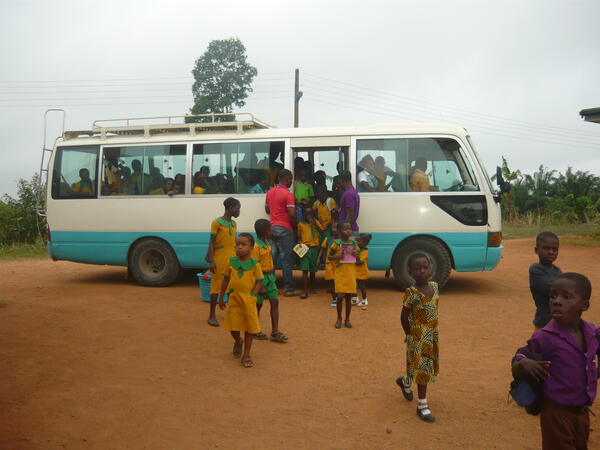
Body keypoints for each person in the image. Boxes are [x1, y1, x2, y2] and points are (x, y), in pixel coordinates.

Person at [511, 273, 598, 449]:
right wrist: (523, 363)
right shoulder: (545, 337)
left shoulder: (592, 333)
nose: (557, 301)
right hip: (556, 414)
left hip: (582, 413)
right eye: (553, 296)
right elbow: (520, 357)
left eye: (566, 297)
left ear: (584, 305)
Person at [397, 253, 439, 422]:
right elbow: (403, 316)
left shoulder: (435, 287)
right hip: (418, 336)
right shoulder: (411, 293)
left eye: (425, 267)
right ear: (410, 271)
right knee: (423, 369)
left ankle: (405, 382)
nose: (422, 271)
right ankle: (422, 405)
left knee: (421, 365)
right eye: (417, 268)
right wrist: (409, 334)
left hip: (432, 335)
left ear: (430, 268)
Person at [218, 232, 264, 368]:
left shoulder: (255, 264)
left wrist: (253, 296)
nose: (239, 247)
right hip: (234, 299)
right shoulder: (231, 262)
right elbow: (225, 280)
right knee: (233, 326)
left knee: (249, 327)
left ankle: (247, 354)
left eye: (243, 244)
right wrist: (221, 297)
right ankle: (238, 340)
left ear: (251, 247)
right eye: (237, 244)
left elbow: (259, 281)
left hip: (248, 300)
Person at [265, 169, 301, 296]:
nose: (291, 182)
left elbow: (267, 209)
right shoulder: (287, 194)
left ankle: (269, 287)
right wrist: (295, 228)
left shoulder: (270, 192)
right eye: (291, 179)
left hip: (271, 228)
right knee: (286, 260)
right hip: (285, 229)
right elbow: (292, 214)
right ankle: (288, 288)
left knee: (272, 260)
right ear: (286, 179)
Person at [251, 219, 288, 343]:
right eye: (271, 229)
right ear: (266, 232)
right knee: (258, 305)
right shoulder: (256, 247)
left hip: (269, 277)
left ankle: (275, 332)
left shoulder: (266, 244)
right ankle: (254, 330)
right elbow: (253, 266)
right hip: (259, 279)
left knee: (275, 302)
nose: (272, 231)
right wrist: (259, 285)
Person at [206, 197, 240, 326]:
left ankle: (231, 313)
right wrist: (211, 261)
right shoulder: (217, 222)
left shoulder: (234, 224)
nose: (239, 211)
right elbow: (211, 242)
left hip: (232, 258)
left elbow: (234, 242)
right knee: (216, 287)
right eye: (237, 208)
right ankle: (212, 315)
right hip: (219, 259)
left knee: (232, 286)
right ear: (230, 208)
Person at [328, 222, 359, 328]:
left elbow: (359, 260)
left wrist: (356, 255)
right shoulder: (336, 244)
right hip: (340, 274)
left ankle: (347, 319)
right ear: (339, 232)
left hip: (350, 273)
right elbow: (329, 257)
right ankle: (339, 318)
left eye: (349, 229)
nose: (348, 231)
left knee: (349, 298)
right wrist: (338, 256)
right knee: (340, 297)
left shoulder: (354, 244)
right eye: (345, 229)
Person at [530, 232, 562, 331]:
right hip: (544, 323)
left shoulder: (557, 270)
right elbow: (555, 291)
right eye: (546, 248)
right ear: (536, 250)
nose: (551, 252)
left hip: (559, 322)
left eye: (555, 249)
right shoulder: (535, 269)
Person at [297, 206, 322, 299]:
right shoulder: (301, 224)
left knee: (312, 269)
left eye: (311, 214)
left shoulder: (316, 222)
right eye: (306, 214)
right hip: (304, 248)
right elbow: (299, 236)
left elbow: (322, 233)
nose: (309, 216)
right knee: (305, 269)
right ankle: (305, 290)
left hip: (314, 248)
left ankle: (312, 286)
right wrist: (300, 243)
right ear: (303, 215)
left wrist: (315, 224)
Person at [318, 222, 339, 307]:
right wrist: (318, 258)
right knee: (331, 281)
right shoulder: (328, 239)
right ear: (331, 229)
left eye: (337, 228)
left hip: (338, 264)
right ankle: (334, 298)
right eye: (333, 228)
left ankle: (339, 297)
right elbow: (322, 249)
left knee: (338, 281)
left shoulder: (342, 240)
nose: (335, 230)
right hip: (329, 263)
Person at [354, 233, 372, 307]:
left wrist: (355, 256)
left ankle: (364, 300)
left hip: (362, 272)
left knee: (362, 286)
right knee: (354, 285)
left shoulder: (365, 251)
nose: (357, 242)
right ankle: (355, 298)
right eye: (357, 240)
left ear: (365, 243)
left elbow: (359, 262)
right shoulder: (356, 247)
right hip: (355, 272)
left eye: (359, 241)